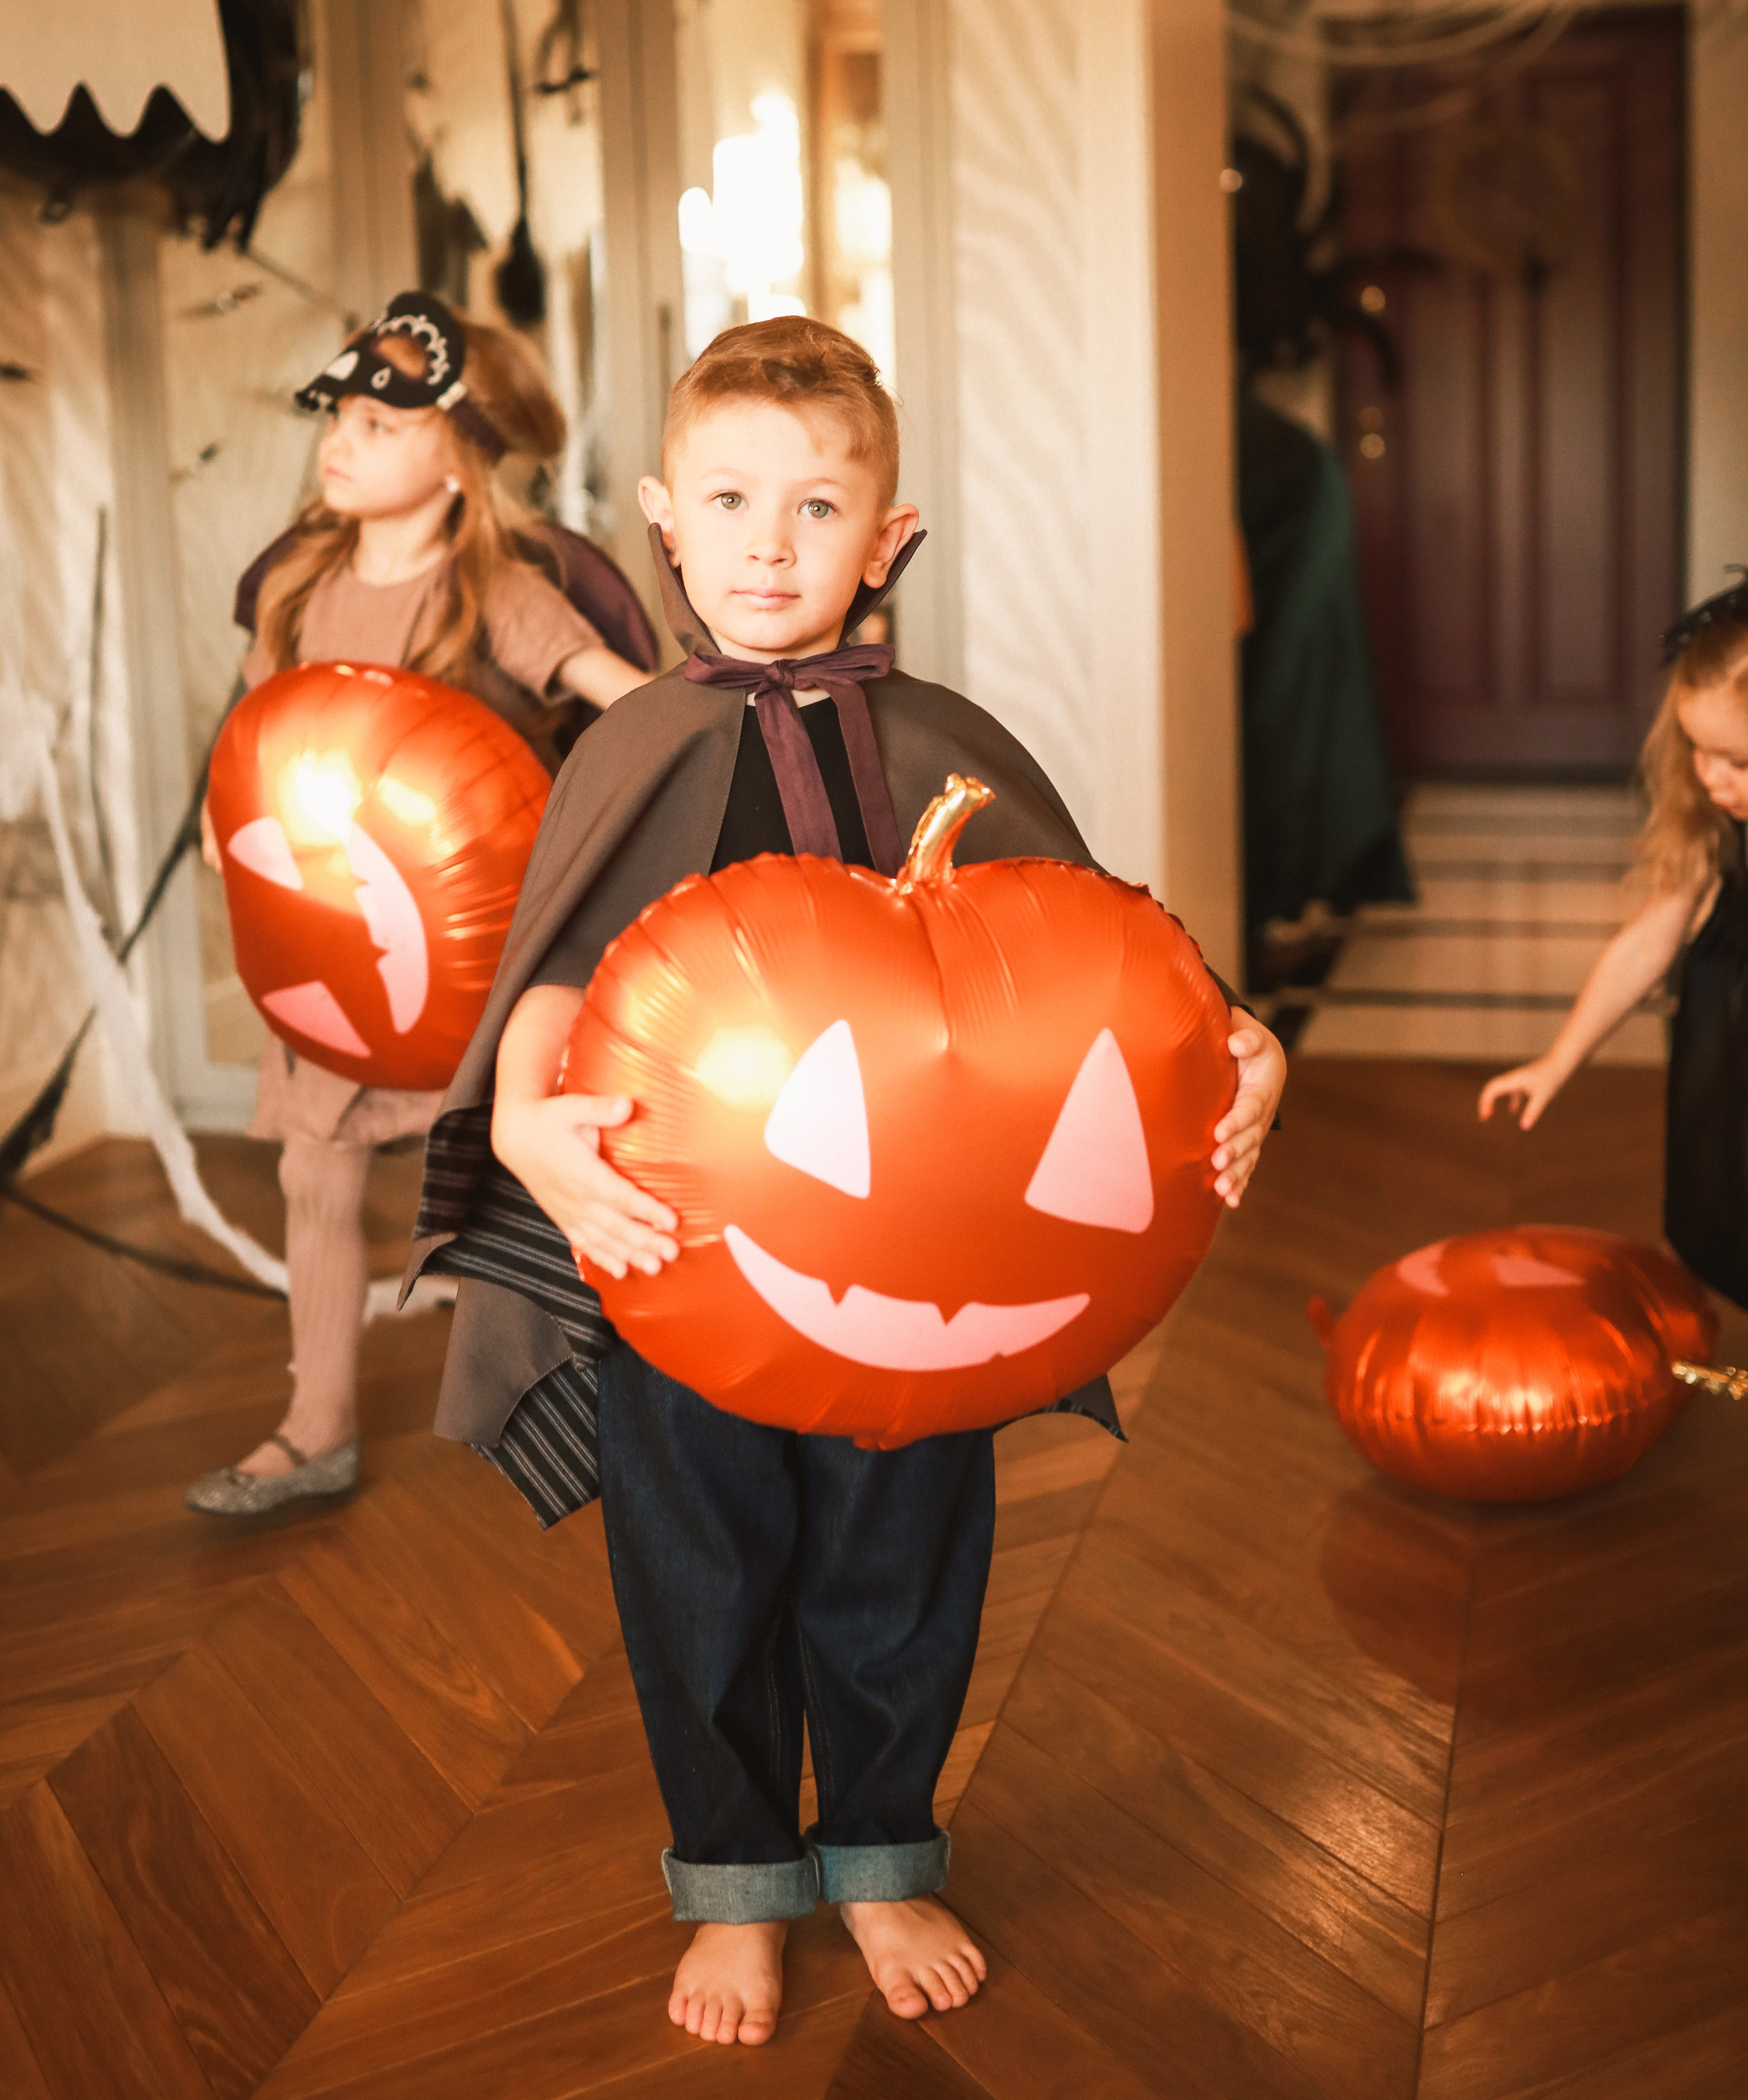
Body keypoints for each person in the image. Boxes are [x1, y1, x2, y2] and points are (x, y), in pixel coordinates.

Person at [400, 317, 1287, 2045]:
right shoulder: (632, 743)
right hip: (685, 1262)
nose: (766, 542)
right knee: (700, 1567)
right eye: (728, 499)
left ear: (884, 541)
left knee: (903, 1558)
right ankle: (733, 1874)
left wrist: (1244, 1040)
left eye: (816, 507)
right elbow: (555, 976)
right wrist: (522, 1124)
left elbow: (1096, 954)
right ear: (663, 514)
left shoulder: (948, 738)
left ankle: (879, 1848)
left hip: (927, 1274)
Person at [184, 292, 654, 1521]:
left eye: (381, 425)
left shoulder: (492, 590)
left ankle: (604, 1414)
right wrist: (223, 848)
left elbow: (638, 709)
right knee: (315, 1177)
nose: (341, 439)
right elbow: (252, 737)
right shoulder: (295, 580)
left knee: (537, 1185)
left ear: (461, 453)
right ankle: (314, 1429)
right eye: (336, 417)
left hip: (475, 965)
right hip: (338, 951)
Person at [1480, 575, 1748, 1306]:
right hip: (1724, 1052)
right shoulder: (1714, 824)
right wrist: (1558, 1060)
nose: (1712, 778)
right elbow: (1645, 943)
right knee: (1715, 1199)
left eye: (1739, 762)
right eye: (1697, 750)